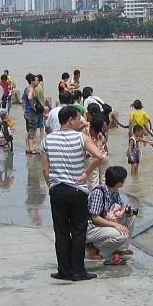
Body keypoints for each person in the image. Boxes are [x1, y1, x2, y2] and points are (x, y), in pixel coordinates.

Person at [40, 106, 103, 281]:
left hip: (57, 190)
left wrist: (51, 185)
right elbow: (99, 156)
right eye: (78, 118)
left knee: (61, 231)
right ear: (70, 120)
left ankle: (64, 270)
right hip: (77, 191)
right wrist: (85, 174)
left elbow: (45, 169)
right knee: (78, 230)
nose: (80, 121)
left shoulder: (47, 140)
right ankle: (78, 270)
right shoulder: (81, 137)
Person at [86, 166, 132, 266]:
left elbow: (121, 205)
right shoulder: (99, 192)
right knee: (122, 235)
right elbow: (95, 217)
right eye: (124, 179)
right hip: (91, 228)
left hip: (104, 222)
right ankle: (94, 247)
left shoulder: (114, 190)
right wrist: (115, 225)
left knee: (131, 217)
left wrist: (125, 211)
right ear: (120, 182)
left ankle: (121, 249)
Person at [86, 114, 109, 190]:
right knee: (104, 178)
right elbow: (105, 145)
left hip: (93, 156)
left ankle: (95, 197)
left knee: (94, 180)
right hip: (104, 155)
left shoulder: (88, 131)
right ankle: (104, 195)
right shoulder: (101, 133)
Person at [23, 73, 41, 154]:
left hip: (26, 112)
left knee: (28, 129)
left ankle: (27, 147)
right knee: (32, 130)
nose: (38, 82)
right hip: (31, 113)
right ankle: (31, 148)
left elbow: (23, 98)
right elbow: (30, 97)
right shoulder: (31, 89)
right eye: (36, 81)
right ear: (32, 81)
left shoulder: (26, 89)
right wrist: (33, 106)